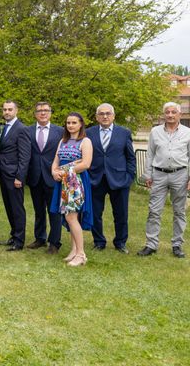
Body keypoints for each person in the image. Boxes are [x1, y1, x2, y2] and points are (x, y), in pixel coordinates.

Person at [138, 102, 190, 259]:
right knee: (154, 210)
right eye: (167, 112)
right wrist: (148, 175)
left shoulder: (188, 132)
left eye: (174, 112)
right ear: (164, 114)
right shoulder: (155, 132)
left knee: (179, 211)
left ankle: (177, 245)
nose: (170, 115)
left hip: (180, 174)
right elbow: (150, 154)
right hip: (159, 175)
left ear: (179, 114)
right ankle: (151, 244)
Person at [87, 103, 136, 254]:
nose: (105, 116)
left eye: (108, 113)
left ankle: (120, 242)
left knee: (121, 214)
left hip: (120, 179)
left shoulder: (124, 133)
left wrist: (129, 176)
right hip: (95, 179)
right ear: (96, 117)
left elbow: (130, 157)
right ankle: (99, 241)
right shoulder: (89, 133)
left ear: (113, 116)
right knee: (95, 213)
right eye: (101, 114)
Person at [50, 112, 93, 267]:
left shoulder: (85, 141)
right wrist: (54, 172)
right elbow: (55, 161)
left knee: (71, 217)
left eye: (74, 122)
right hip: (62, 181)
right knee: (68, 216)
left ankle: (81, 254)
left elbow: (86, 164)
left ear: (80, 124)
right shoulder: (63, 141)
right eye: (68, 123)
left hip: (76, 182)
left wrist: (66, 171)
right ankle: (74, 250)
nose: (70, 125)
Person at [25, 102, 64, 254]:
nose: (43, 113)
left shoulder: (60, 131)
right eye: (39, 111)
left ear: (51, 113)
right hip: (34, 176)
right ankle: (40, 238)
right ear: (35, 114)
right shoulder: (27, 131)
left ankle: (54, 242)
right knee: (38, 210)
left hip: (53, 176)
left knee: (54, 210)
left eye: (46, 110)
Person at [0, 101, 31, 251]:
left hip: (14, 175)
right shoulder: (5, 127)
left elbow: (25, 156)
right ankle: (13, 235)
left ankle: (19, 241)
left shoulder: (21, 129)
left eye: (10, 109)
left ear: (16, 111)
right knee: (9, 206)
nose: (7, 112)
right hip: (4, 173)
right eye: (5, 109)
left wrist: (20, 177)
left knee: (17, 208)